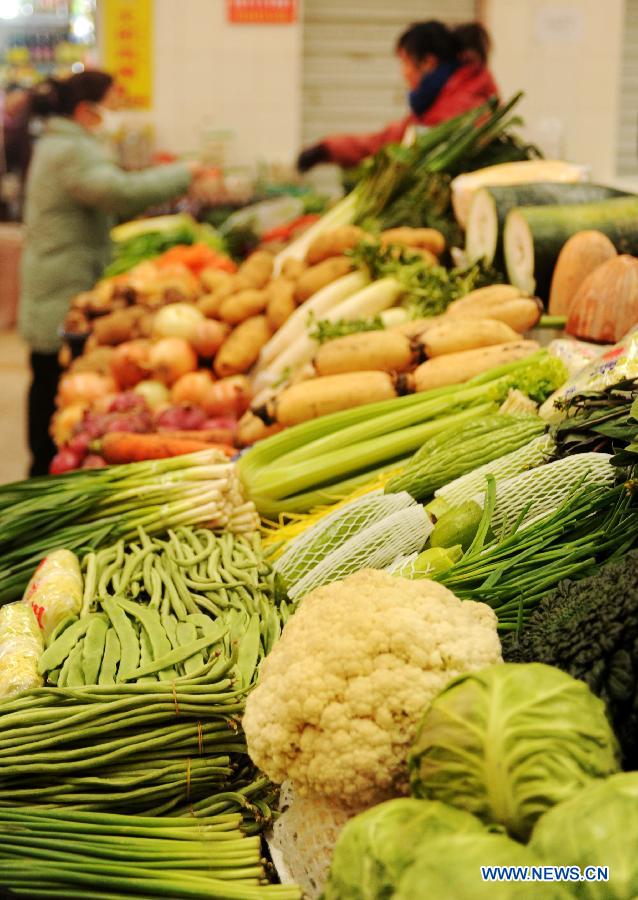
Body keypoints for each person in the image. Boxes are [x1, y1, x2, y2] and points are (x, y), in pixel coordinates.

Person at [18, 70, 203, 476]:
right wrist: (184, 174)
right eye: (111, 104)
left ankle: (44, 461)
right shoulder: (70, 150)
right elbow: (119, 192)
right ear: (86, 110)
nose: (115, 113)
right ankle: (42, 466)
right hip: (62, 276)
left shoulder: (62, 142)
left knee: (51, 373)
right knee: (52, 375)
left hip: (58, 269)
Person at [297, 20, 498, 171]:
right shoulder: (439, 100)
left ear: (428, 63)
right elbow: (385, 141)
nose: (403, 72)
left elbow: (395, 144)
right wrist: (328, 149)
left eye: (405, 62)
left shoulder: (461, 107)